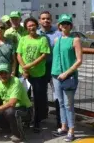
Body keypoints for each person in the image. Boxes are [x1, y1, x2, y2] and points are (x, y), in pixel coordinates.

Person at [51, 14, 82, 142]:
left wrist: (66, 73)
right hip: (55, 75)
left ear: (71, 26)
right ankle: (63, 127)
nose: (64, 25)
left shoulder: (75, 40)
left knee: (69, 104)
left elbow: (79, 60)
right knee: (61, 102)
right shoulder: (56, 40)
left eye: (67, 23)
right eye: (62, 23)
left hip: (68, 77)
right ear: (59, 26)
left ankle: (71, 130)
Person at [17, 17, 50, 133]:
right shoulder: (23, 39)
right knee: (24, 99)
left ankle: (37, 121)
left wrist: (29, 65)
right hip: (25, 75)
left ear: (37, 26)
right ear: (26, 28)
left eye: (33, 25)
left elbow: (43, 55)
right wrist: (24, 68)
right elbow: (19, 54)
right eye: (29, 26)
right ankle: (26, 120)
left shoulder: (42, 39)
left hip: (38, 74)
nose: (31, 27)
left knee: (38, 99)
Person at [0, 63, 32, 142]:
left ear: (10, 73)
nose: (3, 75)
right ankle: (8, 128)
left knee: (10, 112)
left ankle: (19, 135)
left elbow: (12, 103)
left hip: (25, 110)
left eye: (5, 73)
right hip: (10, 109)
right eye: (1, 73)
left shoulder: (16, 81)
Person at [37, 11, 62, 128]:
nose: (45, 20)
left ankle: (60, 121)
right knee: (40, 94)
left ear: (51, 20)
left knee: (57, 95)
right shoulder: (36, 33)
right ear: (39, 20)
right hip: (41, 68)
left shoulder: (58, 34)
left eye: (48, 18)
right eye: (43, 18)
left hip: (55, 68)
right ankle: (41, 118)